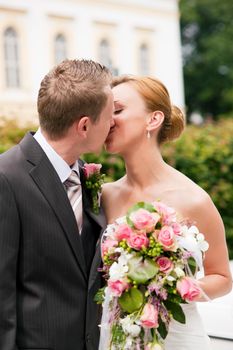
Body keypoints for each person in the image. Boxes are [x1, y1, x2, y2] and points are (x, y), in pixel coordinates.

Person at [102, 75, 232, 349]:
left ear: (153, 119)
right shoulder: (105, 197)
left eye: (117, 110)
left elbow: (222, 278)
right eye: (104, 113)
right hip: (114, 338)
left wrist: (173, 285)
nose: (108, 120)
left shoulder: (194, 199)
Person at [0, 59, 114, 350]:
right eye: (110, 113)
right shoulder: (6, 177)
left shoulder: (86, 174)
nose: (113, 122)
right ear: (85, 126)